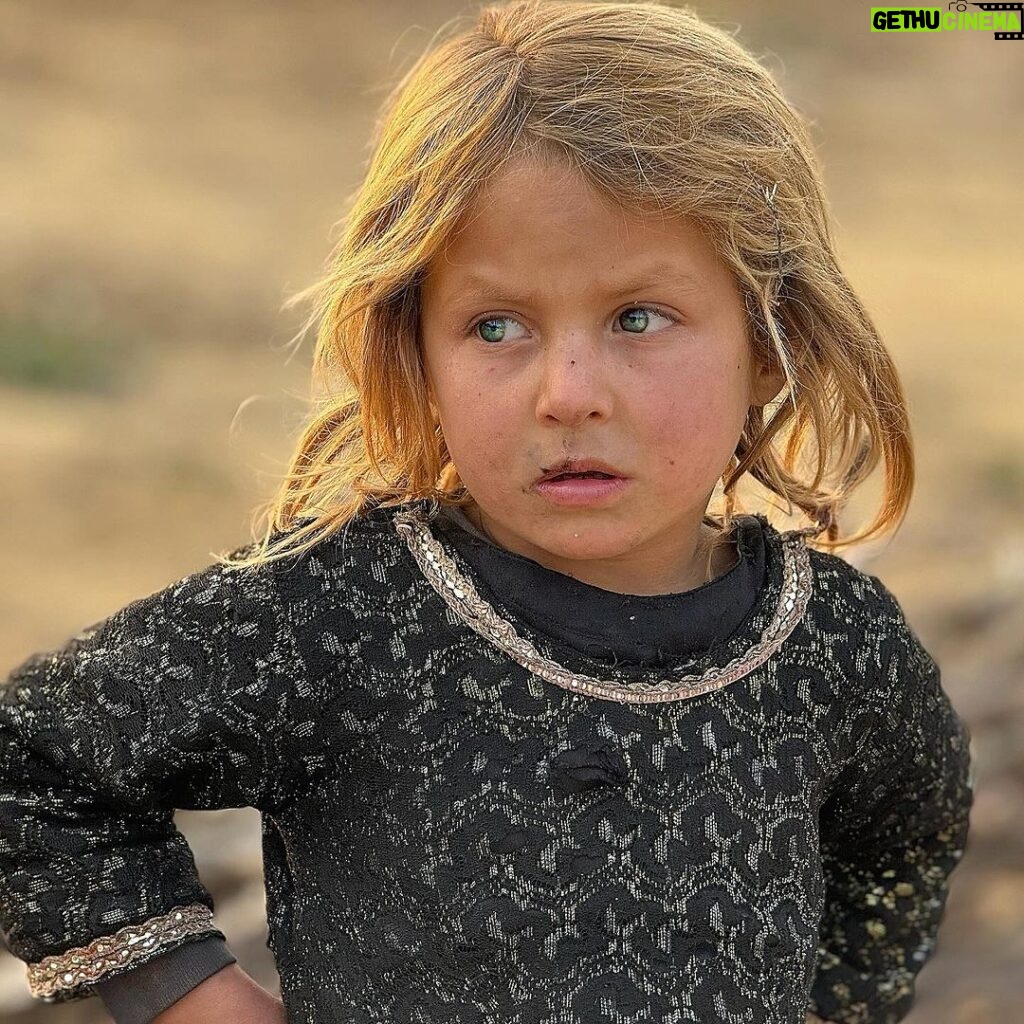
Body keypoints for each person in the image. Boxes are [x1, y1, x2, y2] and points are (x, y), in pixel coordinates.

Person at [0, 1, 975, 1022]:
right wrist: (194, 998)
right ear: (415, 352)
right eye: (496, 325)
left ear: (768, 337)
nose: (567, 391)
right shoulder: (337, 615)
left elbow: (899, 852)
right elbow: (34, 762)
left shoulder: (839, 651)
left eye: (638, 317)